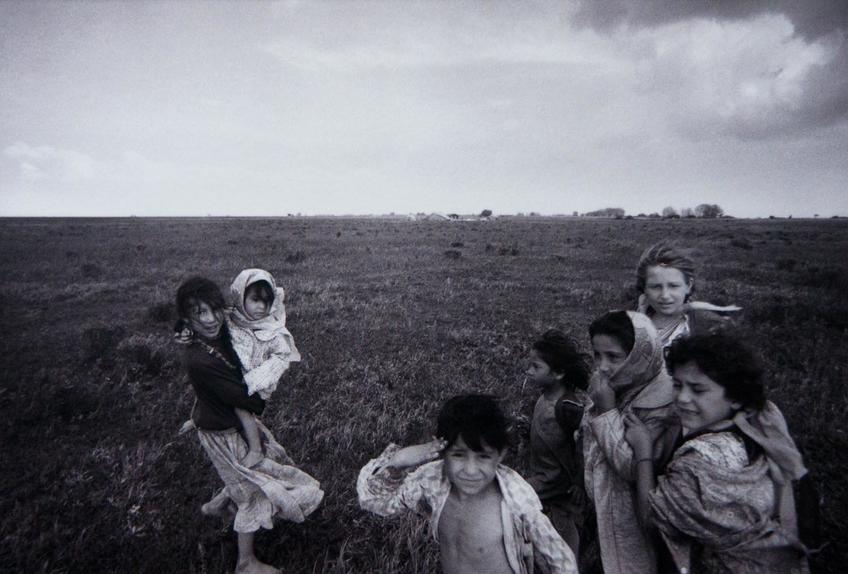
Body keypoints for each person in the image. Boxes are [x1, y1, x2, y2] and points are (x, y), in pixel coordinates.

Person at [624, 333, 810, 574]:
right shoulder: (759, 426)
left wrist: (643, 452)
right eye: (678, 385)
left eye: (698, 390)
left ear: (734, 397)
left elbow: (652, 519)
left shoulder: (700, 459)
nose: (682, 398)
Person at [175, 277, 323, 574]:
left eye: (214, 309)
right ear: (188, 317)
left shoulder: (214, 332)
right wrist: (258, 402)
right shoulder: (200, 361)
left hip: (227, 421)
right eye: (199, 314)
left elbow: (245, 320)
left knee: (249, 472)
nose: (211, 319)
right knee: (252, 490)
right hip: (224, 432)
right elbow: (246, 400)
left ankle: (219, 504)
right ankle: (245, 562)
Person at [357, 394, 577, 574]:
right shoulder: (432, 481)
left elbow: (558, 557)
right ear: (442, 451)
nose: (470, 470)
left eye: (483, 457)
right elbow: (374, 501)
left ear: (500, 455)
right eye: (459, 455)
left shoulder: (515, 498)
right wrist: (397, 463)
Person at [582, 310, 675, 574]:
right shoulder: (615, 384)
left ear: (639, 355)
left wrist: (608, 413)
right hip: (601, 507)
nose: (602, 366)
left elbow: (635, 468)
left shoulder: (661, 402)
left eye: (613, 357)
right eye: (597, 355)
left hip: (634, 519)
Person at [523, 329, 590, 554]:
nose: (528, 371)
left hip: (557, 483)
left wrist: (580, 483)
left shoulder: (568, 407)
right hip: (543, 475)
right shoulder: (545, 396)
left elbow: (585, 444)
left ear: (559, 373)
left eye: (536, 367)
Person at [635, 242, 740, 348]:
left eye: (673, 286)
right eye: (656, 287)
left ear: (688, 285)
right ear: (644, 287)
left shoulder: (710, 328)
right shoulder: (627, 324)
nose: (665, 295)